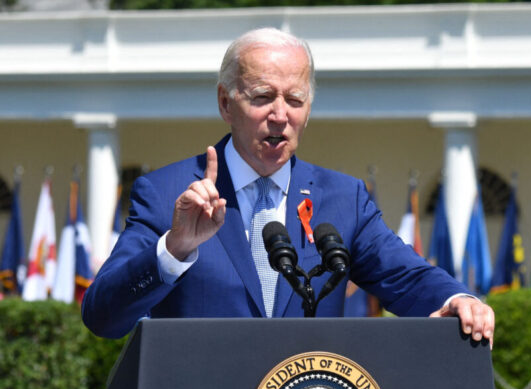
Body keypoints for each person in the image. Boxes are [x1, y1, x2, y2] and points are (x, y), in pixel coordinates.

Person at [81, 28, 495, 346]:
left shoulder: (342, 199)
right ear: (226, 103)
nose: (280, 115)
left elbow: (405, 276)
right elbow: (102, 315)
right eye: (262, 97)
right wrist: (174, 250)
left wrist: (458, 299)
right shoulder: (167, 192)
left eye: (295, 100)